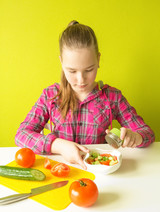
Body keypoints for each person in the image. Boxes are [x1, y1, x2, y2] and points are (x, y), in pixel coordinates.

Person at [15, 20, 155, 169]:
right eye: (72, 71)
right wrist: (58, 146)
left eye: (89, 70)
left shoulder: (112, 97)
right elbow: (21, 135)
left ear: (98, 59)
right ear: (61, 62)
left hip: (97, 173)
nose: (81, 80)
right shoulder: (50, 95)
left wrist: (136, 137)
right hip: (62, 171)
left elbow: (147, 133)